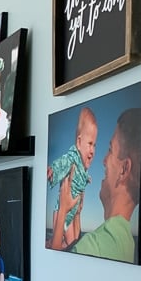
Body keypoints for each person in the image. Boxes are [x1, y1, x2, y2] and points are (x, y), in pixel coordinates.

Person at [51, 107, 141, 263]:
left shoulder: (93, 247)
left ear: (124, 170)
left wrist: (63, 212)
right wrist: (77, 214)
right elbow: (75, 246)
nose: (103, 160)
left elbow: (54, 267)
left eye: (110, 150)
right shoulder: (127, 242)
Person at [47, 106, 98, 247]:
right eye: (90, 144)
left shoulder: (83, 168)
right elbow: (62, 162)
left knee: (73, 242)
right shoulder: (73, 157)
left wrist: (87, 179)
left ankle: (58, 242)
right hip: (63, 211)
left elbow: (82, 178)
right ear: (79, 142)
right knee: (71, 244)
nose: (92, 150)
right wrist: (52, 169)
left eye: (95, 145)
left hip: (72, 211)